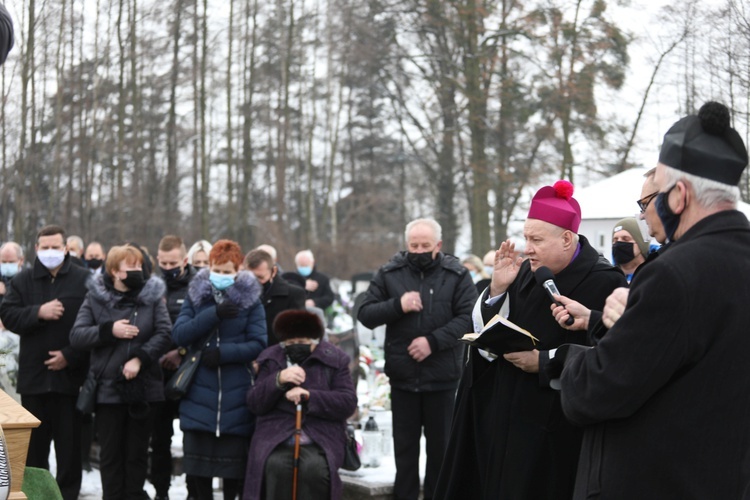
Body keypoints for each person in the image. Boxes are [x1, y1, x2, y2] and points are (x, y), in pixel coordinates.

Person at [557, 101, 750, 499]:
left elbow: (593, 393)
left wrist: (573, 357)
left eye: (653, 199)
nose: (647, 214)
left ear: (679, 196)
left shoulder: (674, 274)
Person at [434, 182, 627, 499]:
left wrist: (546, 360)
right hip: (507, 413)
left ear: (566, 239)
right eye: (525, 238)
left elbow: (609, 355)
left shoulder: (604, 280)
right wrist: (497, 290)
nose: (527, 248)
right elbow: (490, 327)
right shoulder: (526, 271)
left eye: (536, 240)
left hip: (555, 425)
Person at [358, 218, 478, 500]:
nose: (420, 250)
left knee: (441, 453)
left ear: (438, 245)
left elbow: (470, 318)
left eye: (426, 245)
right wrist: (397, 305)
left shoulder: (457, 274)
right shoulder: (390, 273)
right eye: (414, 245)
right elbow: (365, 313)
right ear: (406, 245)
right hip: (403, 379)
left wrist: (433, 342)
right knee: (405, 455)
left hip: (442, 379)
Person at [70, 244, 172, 500]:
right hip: (107, 390)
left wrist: (139, 359)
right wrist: (108, 331)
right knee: (111, 455)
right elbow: (77, 336)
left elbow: (164, 333)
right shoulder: (94, 298)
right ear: (115, 271)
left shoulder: (152, 298)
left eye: (140, 266)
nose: (138, 271)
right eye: (131, 267)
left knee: (136, 455)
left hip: (144, 389)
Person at [0, 225, 91, 500]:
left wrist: (70, 355)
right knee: (34, 456)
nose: (50, 251)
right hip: (35, 381)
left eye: (56, 246)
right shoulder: (23, 280)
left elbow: (94, 322)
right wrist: (38, 312)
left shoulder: (84, 279)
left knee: (70, 453)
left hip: (70, 381)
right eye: (45, 247)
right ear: (36, 249)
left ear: (65, 248)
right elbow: (9, 314)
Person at [172, 239, 267, 500]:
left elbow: (259, 343)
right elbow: (179, 334)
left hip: (235, 399)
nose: (221, 276)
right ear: (209, 267)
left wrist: (224, 354)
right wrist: (214, 313)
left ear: (238, 271)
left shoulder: (251, 302)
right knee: (198, 476)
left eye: (228, 272)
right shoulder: (195, 296)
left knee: (233, 476)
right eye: (217, 270)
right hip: (198, 396)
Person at [243, 309, 357, 500]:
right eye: (291, 343)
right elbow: (254, 402)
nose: (296, 346)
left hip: (320, 435)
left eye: (303, 343)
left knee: (314, 469)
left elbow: (347, 402)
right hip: (276, 435)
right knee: (275, 466)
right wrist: (277, 380)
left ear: (315, 342)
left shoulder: (334, 359)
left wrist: (310, 396)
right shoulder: (270, 358)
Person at [150, 235, 198, 500]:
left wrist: (180, 352)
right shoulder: (152, 286)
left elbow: (201, 327)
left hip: (189, 373)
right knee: (159, 440)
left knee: (191, 439)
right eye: (163, 262)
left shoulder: (197, 286)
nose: (168, 267)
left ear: (185, 260)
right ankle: (161, 492)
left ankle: (193, 492)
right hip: (157, 373)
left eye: (173, 262)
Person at [244, 248, 305, 346]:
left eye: (260, 277)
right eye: (250, 277)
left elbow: (297, 334)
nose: (255, 282)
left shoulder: (293, 295)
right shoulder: (238, 295)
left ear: (274, 271)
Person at [610, 217, 649, 283]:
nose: (619, 243)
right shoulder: (608, 277)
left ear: (641, 243)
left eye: (625, 239)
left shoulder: (656, 274)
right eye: (615, 240)